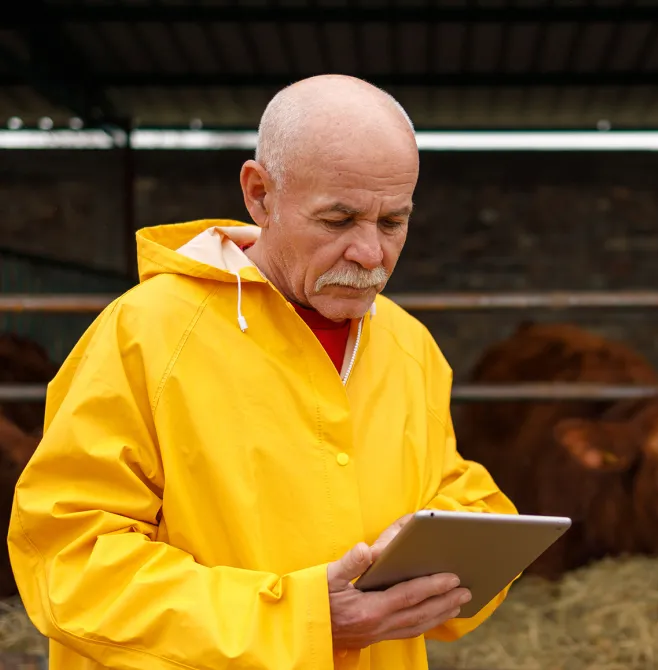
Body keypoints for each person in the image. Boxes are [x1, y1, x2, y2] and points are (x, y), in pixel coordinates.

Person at [7, 74, 518, 670]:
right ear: (259, 194)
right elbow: (70, 560)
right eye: (338, 220)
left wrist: (450, 537)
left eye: (392, 222)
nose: (371, 254)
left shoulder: (408, 345)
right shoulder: (145, 335)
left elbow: (451, 487)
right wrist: (300, 619)